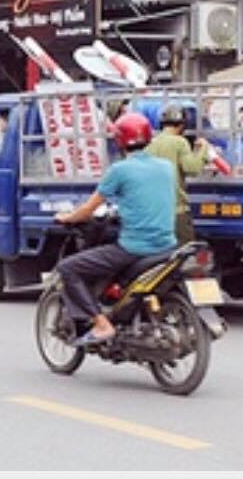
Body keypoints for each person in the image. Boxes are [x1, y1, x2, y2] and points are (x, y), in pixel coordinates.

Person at [54, 112, 177, 346]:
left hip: (136, 248)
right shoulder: (166, 167)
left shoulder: (120, 170)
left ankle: (101, 324)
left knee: (68, 267)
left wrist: (67, 218)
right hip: (167, 245)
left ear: (119, 141)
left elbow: (88, 210)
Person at [146, 104, 209, 244]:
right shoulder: (180, 142)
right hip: (176, 212)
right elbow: (192, 168)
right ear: (182, 125)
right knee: (185, 258)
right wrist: (203, 150)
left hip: (153, 214)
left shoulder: (150, 143)